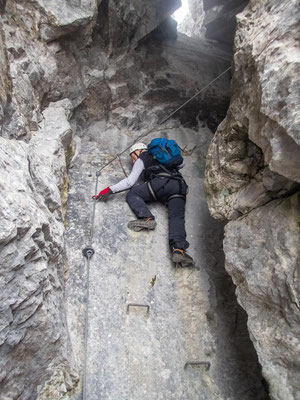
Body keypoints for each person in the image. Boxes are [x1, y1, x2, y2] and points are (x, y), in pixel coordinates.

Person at [93, 142, 195, 267]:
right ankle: (178, 250)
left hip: (160, 184)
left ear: (138, 151)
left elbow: (130, 182)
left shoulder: (143, 158)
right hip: (179, 186)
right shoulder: (168, 158)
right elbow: (182, 164)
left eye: (132, 156)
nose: (133, 159)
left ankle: (147, 219)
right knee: (176, 217)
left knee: (132, 194)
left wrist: (109, 190)